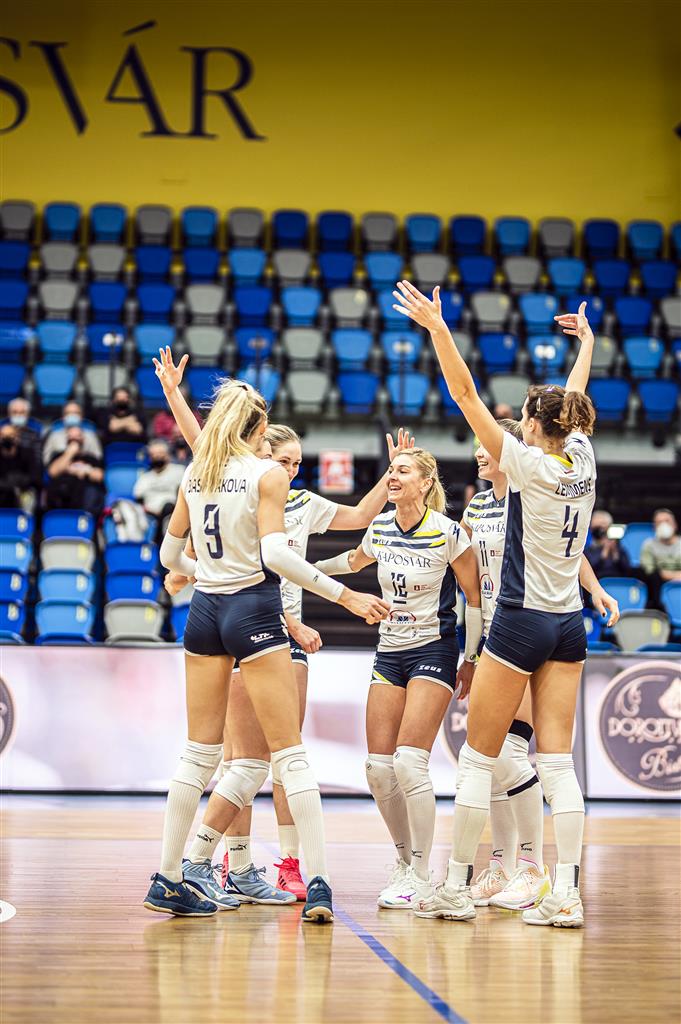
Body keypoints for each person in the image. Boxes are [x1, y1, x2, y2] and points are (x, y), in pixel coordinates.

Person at [154, 345, 415, 902]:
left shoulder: (197, 472)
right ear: (261, 433)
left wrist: (204, 572)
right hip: (254, 608)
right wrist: (345, 595)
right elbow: (274, 555)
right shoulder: (264, 475)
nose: (291, 466)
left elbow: (169, 557)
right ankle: (313, 882)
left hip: (206, 612)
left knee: (200, 756)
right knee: (287, 756)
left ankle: (170, 877)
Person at [393, 282, 597, 928]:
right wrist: (586, 347)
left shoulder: (529, 465)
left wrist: (438, 331)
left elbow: (464, 395)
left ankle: (455, 886)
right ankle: (565, 892)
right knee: (557, 764)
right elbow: (573, 406)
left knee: (477, 761)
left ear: (532, 427)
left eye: (528, 419)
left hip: (518, 621)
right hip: (568, 624)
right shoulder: (583, 459)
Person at [314, 448, 483, 911]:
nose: (392, 476)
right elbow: (353, 562)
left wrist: (470, 657)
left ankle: (423, 875)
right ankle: (406, 861)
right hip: (389, 651)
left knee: (409, 763)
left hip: (434, 648)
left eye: (402, 471)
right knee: (378, 768)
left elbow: (473, 596)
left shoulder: (448, 532)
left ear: (426, 483)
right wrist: (304, 573)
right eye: (391, 470)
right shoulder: (381, 527)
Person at [462, 421, 620, 911]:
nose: (480, 455)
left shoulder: (530, 486)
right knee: (493, 762)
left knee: (507, 755)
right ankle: (502, 865)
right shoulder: (475, 508)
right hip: (495, 635)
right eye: (477, 450)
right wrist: (468, 649)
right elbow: (469, 581)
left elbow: (567, 553)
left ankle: (531, 867)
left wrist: (595, 588)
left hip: (529, 626)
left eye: (487, 448)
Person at [45, 425, 105, 517]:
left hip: (85, 499)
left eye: (78, 436)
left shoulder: (91, 458)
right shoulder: (58, 456)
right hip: (62, 496)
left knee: (92, 491)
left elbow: (100, 476)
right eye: (71, 436)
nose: (74, 439)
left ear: (83, 439)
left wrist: (86, 470)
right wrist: (69, 453)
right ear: (66, 439)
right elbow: (52, 472)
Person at [133, 439, 185, 537]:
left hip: (173, 512)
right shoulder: (145, 477)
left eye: (160, 453)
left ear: (168, 455)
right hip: (151, 514)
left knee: (168, 507)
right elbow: (138, 497)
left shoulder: (179, 471)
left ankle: (159, 537)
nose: (157, 456)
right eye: (154, 454)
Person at [42, 401, 103, 466]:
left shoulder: (91, 436)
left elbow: (98, 459)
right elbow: (46, 460)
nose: (72, 416)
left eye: (76, 413)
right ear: (63, 417)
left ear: (82, 416)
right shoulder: (54, 436)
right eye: (68, 413)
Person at [0, 423, 42, 510]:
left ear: (17, 437)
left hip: (23, 491)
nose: (6, 438)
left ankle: (25, 518)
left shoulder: (28, 453)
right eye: (3, 435)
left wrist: (18, 481)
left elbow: (36, 477)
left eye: (11, 435)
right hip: (2, 491)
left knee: (28, 495)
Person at [640, 510, 681, 594]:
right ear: (654, 527)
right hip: (658, 585)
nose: (663, 525)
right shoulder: (648, 545)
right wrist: (672, 576)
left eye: (667, 521)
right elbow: (649, 570)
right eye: (659, 522)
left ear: (675, 524)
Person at [585, 510, 630, 579]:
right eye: (597, 527)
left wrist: (615, 553)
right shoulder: (588, 550)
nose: (601, 531)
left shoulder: (618, 548)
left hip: (617, 582)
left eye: (603, 527)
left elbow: (627, 569)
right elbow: (588, 571)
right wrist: (604, 553)